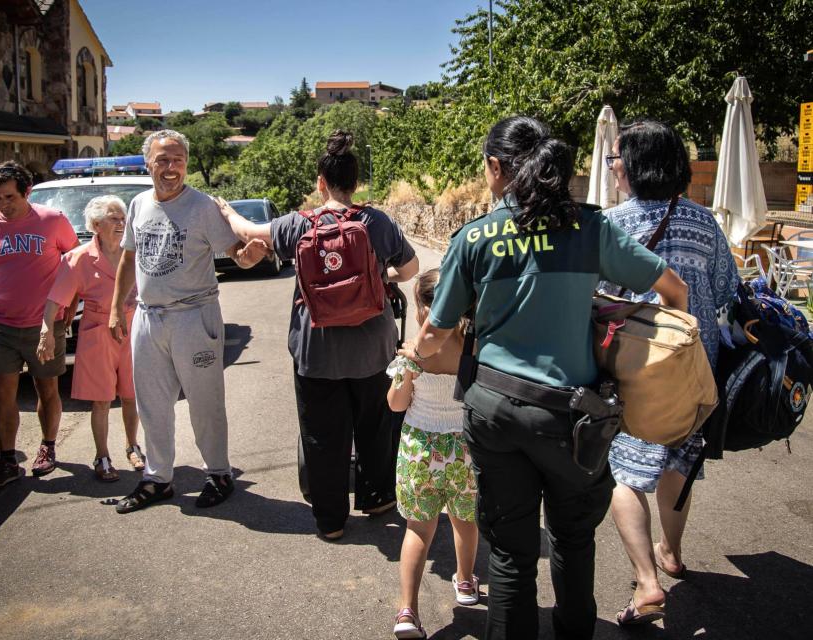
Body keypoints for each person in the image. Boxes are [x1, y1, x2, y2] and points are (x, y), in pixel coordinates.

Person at [399, 116, 689, 640]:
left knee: (510, 553)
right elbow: (674, 289)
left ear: (494, 167)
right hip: (573, 420)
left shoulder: (474, 238)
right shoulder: (591, 228)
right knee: (574, 541)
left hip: (495, 412)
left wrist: (412, 356)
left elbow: (437, 332)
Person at [216, 130, 420, 540]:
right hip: (372, 350)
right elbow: (412, 268)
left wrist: (224, 209)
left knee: (323, 435)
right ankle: (377, 496)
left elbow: (247, 231)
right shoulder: (375, 221)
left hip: (317, 351)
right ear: (356, 183)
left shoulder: (297, 225)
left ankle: (331, 522)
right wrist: (379, 278)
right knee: (374, 428)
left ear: (320, 181)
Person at [601, 120, 738, 626]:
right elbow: (726, 291)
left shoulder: (612, 224)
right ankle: (671, 552)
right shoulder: (704, 223)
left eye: (617, 159)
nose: (613, 167)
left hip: (638, 371)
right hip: (697, 368)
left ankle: (647, 581)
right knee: (680, 460)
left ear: (635, 165)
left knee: (626, 474)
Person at [109, 129, 268, 514]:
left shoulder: (201, 207)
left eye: (178, 159)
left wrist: (251, 257)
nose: (171, 167)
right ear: (147, 163)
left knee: (205, 402)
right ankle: (157, 477)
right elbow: (129, 258)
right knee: (152, 403)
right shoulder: (138, 205)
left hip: (194, 318)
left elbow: (235, 253)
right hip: (148, 318)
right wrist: (116, 308)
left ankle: (219, 473)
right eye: (163, 159)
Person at [0, 161, 79, 487]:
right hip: (0, 325)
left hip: (44, 325)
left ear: (26, 192)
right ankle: (6, 461)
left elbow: (74, 262)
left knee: (47, 388)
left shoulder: (52, 220)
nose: (3, 204)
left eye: (9, 197)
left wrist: (71, 304)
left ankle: (47, 446)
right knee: (3, 395)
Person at [387, 268, 479, 640]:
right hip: (463, 450)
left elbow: (395, 405)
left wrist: (407, 371)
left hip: (419, 451)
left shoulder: (414, 352)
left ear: (424, 309)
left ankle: (407, 611)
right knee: (465, 522)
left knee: (418, 530)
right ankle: (466, 581)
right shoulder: (472, 345)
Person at [38, 195, 144, 482]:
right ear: (97, 225)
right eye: (114, 218)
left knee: (132, 394)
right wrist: (46, 328)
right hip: (98, 332)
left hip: (134, 327)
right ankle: (102, 455)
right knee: (101, 400)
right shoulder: (79, 258)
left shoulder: (134, 251)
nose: (121, 223)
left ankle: (133, 446)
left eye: (123, 218)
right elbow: (56, 298)